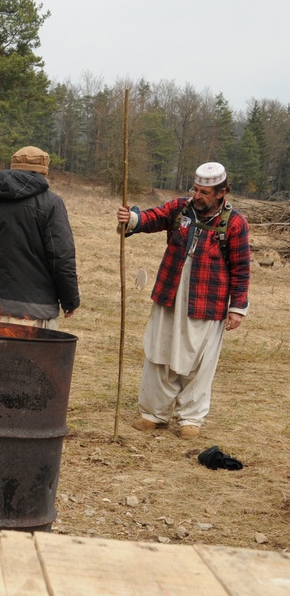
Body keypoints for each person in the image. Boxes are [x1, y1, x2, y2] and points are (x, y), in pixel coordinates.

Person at [116, 162, 250, 439]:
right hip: (170, 295)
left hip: (207, 303)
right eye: (195, 189)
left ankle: (191, 418)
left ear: (221, 192)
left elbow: (241, 268)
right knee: (159, 353)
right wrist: (132, 218)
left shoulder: (235, 223)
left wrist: (237, 308)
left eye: (204, 192)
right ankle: (153, 414)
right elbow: (154, 217)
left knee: (199, 364)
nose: (197, 196)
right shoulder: (180, 208)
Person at [0, 146, 80, 329]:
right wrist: (70, 300)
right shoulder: (51, 203)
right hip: (35, 314)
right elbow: (61, 257)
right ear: (43, 171)